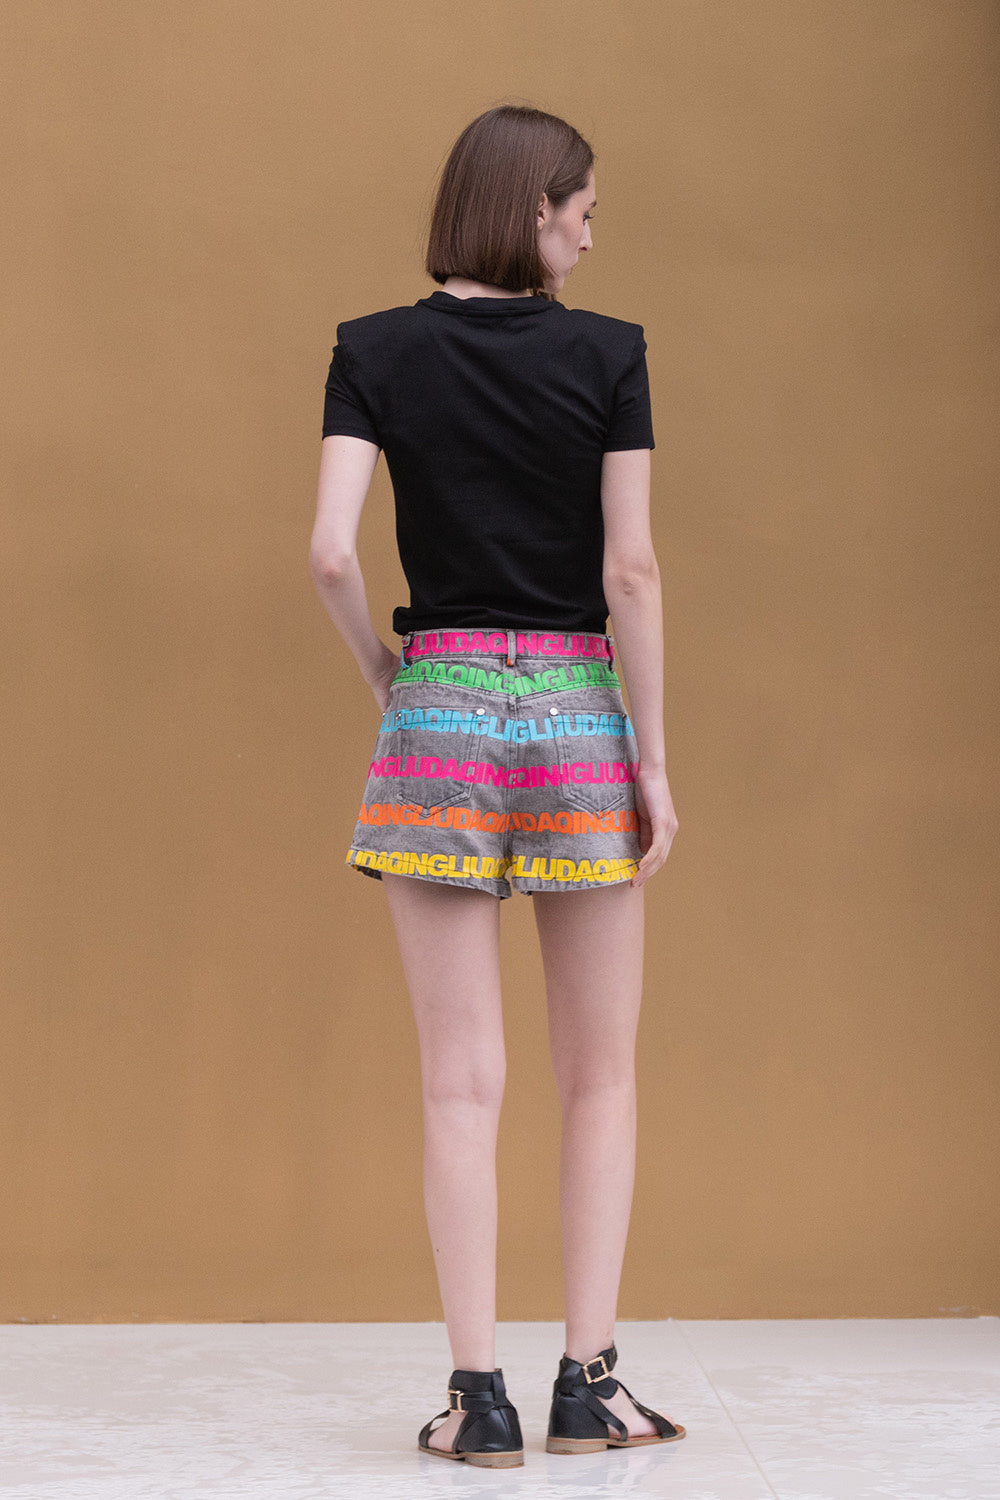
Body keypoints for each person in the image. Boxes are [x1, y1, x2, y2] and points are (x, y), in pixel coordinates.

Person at [308, 103, 683, 1467]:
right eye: (582, 209)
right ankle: (591, 1385)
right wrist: (651, 759)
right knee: (600, 1074)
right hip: (579, 710)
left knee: (460, 1084)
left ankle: (479, 1403)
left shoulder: (371, 350)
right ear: (533, 210)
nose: (590, 233)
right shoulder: (612, 352)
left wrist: (390, 675)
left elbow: (331, 553)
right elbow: (630, 570)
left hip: (441, 713)